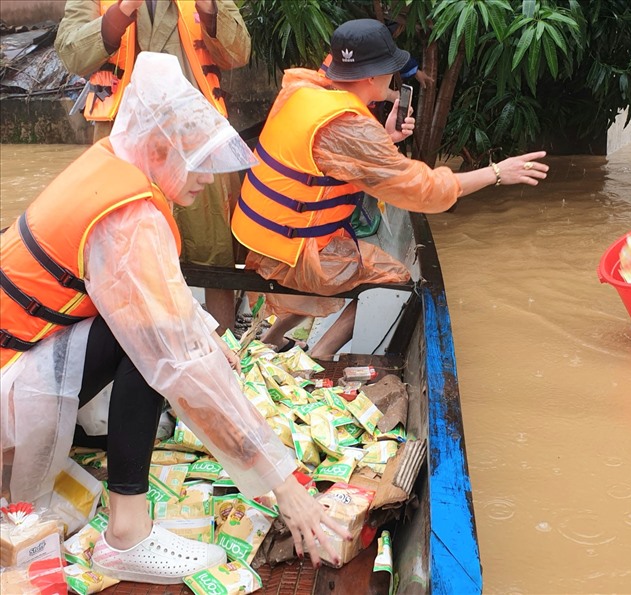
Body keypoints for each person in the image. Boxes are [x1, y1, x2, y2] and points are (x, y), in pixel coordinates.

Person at [0, 53, 347, 585]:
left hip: (18, 360)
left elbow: (140, 293)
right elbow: (172, 354)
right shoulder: (130, 215)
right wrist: (286, 486)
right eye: (198, 159)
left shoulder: (110, 162)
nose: (210, 179)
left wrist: (205, 332)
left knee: (172, 337)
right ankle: (127, 535)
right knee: (156, 351)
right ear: (159, 148)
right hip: (10, 385)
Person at [232, 19, 550, 358]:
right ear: (371, 76)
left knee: (346, 253)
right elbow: (423, 190)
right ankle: (319, 356)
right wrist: (497, 172)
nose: (394, 79)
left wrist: (384, 138)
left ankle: (270, 340)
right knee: (394, 279)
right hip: (296, 256)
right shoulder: (349, 128)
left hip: (262, 241)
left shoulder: (305, 89)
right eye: (390, 70)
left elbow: (336, 158)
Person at [55, 0, 251, 335]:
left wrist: (209, 8)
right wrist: (124, 8)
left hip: (195, 135)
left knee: (213, 248)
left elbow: (238, 54)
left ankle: (225, 349)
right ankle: (140, 349)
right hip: (126, 142)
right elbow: (72, 55)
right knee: (128, 249)